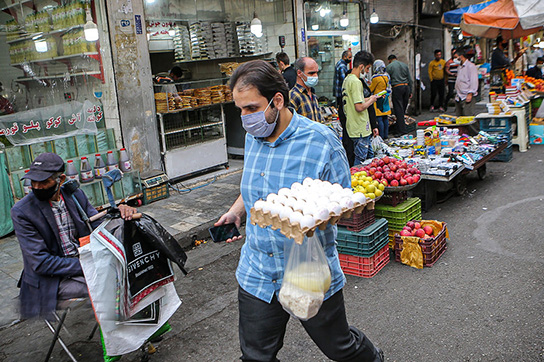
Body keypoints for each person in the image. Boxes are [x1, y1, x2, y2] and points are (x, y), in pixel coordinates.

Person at [214, 59, 384, 362]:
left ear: (277, 101)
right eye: (240, 109)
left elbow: (340, 201)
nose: (245, 118)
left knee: (339, 347)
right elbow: (254, 184)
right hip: (257, 269)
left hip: (306, 267)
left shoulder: (321, 141)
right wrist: (236, 211)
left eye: (251, 108)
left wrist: (309, 218)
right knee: (255, 357)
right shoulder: (254, 138)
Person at [11, 153, 137, 319]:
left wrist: (121, 213)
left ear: (60, 180)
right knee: (108, 286)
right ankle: (125, 335)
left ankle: (144, 326)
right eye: (33, 181)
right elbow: (41, 263)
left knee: (132, 269)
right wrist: (88, 265)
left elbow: (98, 227)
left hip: (83, 263)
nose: (37, 187)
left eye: (43, 182)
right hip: (52, 278)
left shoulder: (74, 195)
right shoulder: (23, 212)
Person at [343, 51, 380, 166]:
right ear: (361, 67)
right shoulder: (355, 82)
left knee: (370, 159)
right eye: (367, 68)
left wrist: (369, 98)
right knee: (360, 163)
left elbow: (356, 100)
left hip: (355, 128)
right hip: (359, 129)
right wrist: (372, 101)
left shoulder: (347, 80)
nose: (368, 72)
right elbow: (359, 107)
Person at [289, 57, 324, 123]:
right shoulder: (293, 96)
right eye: (311, 73)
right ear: (299, 73)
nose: (315, 76)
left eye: (317, 73)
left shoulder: (312, 94)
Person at [386, 54, 412, 135]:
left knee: (398, 110)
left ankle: (401, 130)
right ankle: (401, 127)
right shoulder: (404, 65)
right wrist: (410, 91)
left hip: (397, 88)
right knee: (403, 110)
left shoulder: (389, 66)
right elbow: (410, 79)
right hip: (406, 87)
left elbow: (386, 79)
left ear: (389, 60)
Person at [369, 59, 392, 139]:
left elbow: (371, 89)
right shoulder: (387, 76)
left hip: (378, 99)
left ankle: (381, 136)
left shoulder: (375, 78)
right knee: (385, 118)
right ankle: (386, 135)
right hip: (385, 98)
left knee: (379, 119)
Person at [455, 48, 479, 117]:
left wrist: (470, 93)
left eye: (456, 57)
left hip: (467, 95)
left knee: (468, 118)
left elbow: (474, 81)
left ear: (461, 56)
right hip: (459, 96)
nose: (455, 59)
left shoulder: (471, 66)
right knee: (459, 119)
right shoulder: (459, 67)